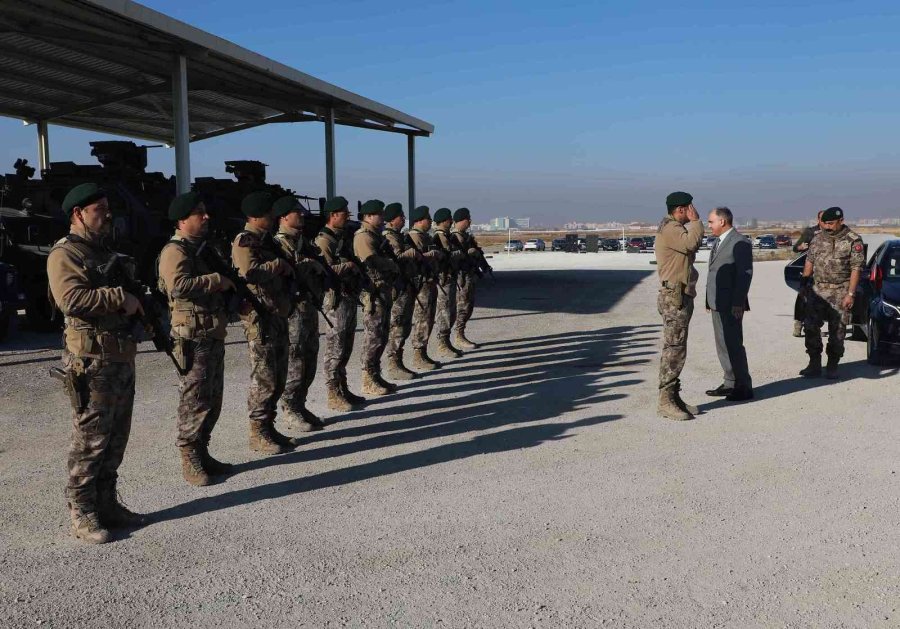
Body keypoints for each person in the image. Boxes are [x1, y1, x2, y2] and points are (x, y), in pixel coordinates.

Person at [47, 183, 147, 544]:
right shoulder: (66, 254)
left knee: (115, 439)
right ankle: (82, 511)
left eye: (107, 207)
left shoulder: (103, 251)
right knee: (90, 441)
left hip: (119, 354)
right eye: (99, 209)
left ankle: (107, 505)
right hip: (90, 360)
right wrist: (121, 297)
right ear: (78, 214)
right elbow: (71, 299)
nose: (107, 214)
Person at [158, 191, 236, 486]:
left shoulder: (201, 248)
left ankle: (203, 451)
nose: (206, 217)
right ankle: (189, 457)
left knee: (212, 397)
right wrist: (217, 281)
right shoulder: (175, 251)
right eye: (198, 213)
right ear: (182, 220)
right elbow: (178, 286)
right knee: (194, 398)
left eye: (205, 212)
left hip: (210, 331)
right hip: (191, 336)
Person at [231, 191, 300, 455]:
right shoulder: (245, 240)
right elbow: (249, 273)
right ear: (257, 214)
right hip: (259, 316)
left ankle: (269, 427)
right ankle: (257, 432)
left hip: (276, 312)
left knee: (279, 372)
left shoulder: (266, 240)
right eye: (269, 213)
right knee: (264, 376)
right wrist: (278, 265)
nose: (273, 217)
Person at [272, 195, 327, 432]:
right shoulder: (278, 244)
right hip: (292, 310)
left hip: (309, 307)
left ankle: (300, 403)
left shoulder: (304, 242)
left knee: (309, 358)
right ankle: (289, 408)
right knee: (295, 359)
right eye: (297, 212)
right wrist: (306, 264)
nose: (302, 215)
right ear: (283, 217)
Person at [654, 191, 704, 420]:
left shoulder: (673, 227)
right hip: (674, 296)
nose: (693, 211)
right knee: (674, 348)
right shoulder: (671, 228)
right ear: (681, 209)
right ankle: (665, 401)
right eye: (690, 208)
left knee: (678, 346)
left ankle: (673, 396)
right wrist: (696, 222)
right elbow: (691, 244)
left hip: (680, 294)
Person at [799, 206, 865, 379]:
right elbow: (809, 261)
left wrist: (851, 294)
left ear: (841, 221)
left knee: (837, 331)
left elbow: (856, 269)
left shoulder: (853, 240)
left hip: (841, 291)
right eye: (825, 223)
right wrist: (804, 284)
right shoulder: (817, 239)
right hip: (818, 290)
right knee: (811, 327)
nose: (827, 227)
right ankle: (814, 363)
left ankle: (832, 365)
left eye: (830, 223)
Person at [316, 196, 366, 410]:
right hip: (335, 300)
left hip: (347, 297)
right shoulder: (324, 240)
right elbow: (323, 271)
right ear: (333, 215)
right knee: (335, 348)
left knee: (346, 346)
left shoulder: (341, 237)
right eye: (345, 213)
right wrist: (349, 267)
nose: (348, 216)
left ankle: (342, 387)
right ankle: (332, 392)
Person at [704, 207, 754, 401]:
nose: (709, 226)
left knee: (733, 345)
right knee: (722, 345)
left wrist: (738, 302)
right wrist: (709, 299)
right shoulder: (719, 241)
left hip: (731, 304)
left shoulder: (739, 242)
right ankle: (730, 382)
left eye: (711, 222)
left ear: (722, 221)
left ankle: (744, 386)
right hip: (717, 302)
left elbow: (745, 274)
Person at [353, 199, 401, 396]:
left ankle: (375, 374)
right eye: (379, 214)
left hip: (382, 290)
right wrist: (391, 264)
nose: (383, 218)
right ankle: (367, 379)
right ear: (368, 216)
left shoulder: (375, 235)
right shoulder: (364, 237)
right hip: (373, 293)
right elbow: (371, 261)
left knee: (381, 335)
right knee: (373, 337)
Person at [382, 202, 422, 380]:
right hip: (398, 288)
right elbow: (395, 259)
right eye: (401, 216)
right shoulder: (389, 237)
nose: (404, 219)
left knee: (404, 325)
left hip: (406, 285)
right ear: (392, 219)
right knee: (397, 325)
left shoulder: (399, 236)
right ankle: (392, 364)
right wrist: (410, 254)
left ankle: (398, 361)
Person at [406, 205, 444, 371]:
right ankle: (417, 354)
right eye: (428, 218)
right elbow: (415, 259)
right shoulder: (414, 237)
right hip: (421, 284)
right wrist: (431, 256)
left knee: (428, 318)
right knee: (422, 319)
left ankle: (422, 352)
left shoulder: (424, 237)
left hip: (429, 282)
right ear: (419, 220)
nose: (430, 221)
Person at [432, 207, 466, 358]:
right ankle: (442, 343)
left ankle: (446, 341)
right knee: (444, 312)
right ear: (444, 221)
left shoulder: (446, 236)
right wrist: (459, 253)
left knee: (450, 311)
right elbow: (444, 256)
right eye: (449, 219)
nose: (451, 221)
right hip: (443, 278)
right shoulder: (439, 236)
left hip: (449, 278)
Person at [450, 208, 482, 349]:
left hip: (468, 275)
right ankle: (458, 335)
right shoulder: (454, 237)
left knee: (468, 306)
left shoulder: (466, 237)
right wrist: (467, 253)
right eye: (467, 218)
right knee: (462, 307)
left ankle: (460, 333)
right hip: (460, 278)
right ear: (460, 220)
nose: (469, 221)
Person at [791, 210, 824, 337]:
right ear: (818, 220)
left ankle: (816, 327)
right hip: (807, 271)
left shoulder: (832, 233)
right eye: (822, 219)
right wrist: (800, 247)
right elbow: (795, 248)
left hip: (824, 273)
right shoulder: (810, 232)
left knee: (820, 301)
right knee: (802, 298)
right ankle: (798, 323)